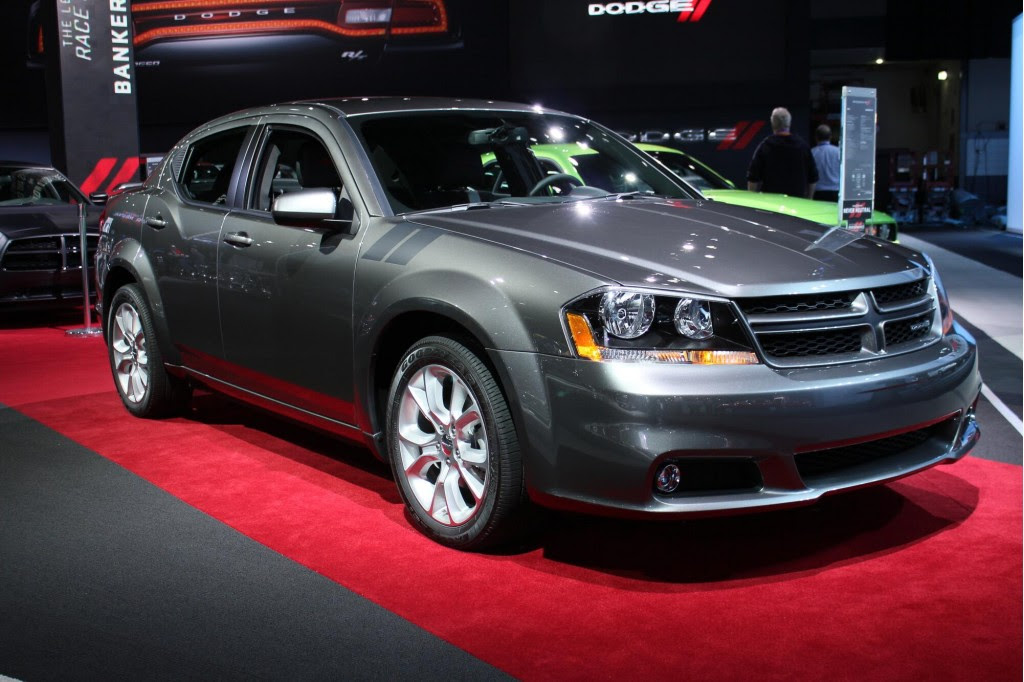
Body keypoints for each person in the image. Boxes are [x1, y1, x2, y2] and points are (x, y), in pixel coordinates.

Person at [746, 107, 817, 199]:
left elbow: (753, 178)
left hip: (771, 202)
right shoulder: (803, 146)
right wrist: (809, 199)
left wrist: (753, 200)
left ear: (772, 123)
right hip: (797, 202)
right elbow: (813, 177)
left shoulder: (765, 146)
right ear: (789, 123)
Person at [810, 124, 840, 202]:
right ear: (830, 137)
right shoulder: (838, 152)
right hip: (835, 192)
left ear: (816, 137)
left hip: (818, 193)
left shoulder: (812, 153)